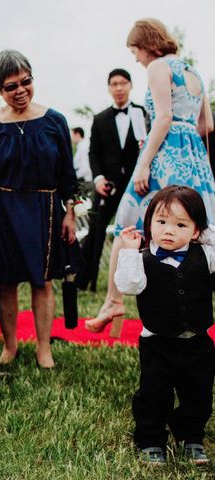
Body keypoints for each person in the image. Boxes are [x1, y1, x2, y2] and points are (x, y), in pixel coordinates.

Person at [86, 18, 215, 334]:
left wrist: (143, 164)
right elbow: (207, 126)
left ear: (147, 45)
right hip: (195, 158)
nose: (136, 60)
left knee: (127, 224)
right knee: (198, 229)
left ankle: (114, 301)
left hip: (166, 156)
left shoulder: (159, 67)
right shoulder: (194, 72)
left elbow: (163, 119)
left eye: (135, 51)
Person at [0, 50, 77, 369]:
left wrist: (70, 213)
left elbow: (68, 175)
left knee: (42, 281)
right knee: (6, 281)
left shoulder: (55, 120)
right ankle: (11, 346)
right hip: (3, 209)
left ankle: (44, 349)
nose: (20, 91)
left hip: (45, 207)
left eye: (25, 82)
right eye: (10, 86)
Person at [115, 186, 214, 465]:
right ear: (148, 224)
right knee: (153, 394)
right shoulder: (143, 259)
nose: (168, 231)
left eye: (180, 224)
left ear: (197, 231)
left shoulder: (205, 255)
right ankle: (150, 439)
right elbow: (129, 285)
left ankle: (191, 436)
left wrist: (205, 233)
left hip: (197, 341)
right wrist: (129, 251)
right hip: (157, 343)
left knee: (200, 393)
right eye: (161, 222)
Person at [76, 68, 148, 291]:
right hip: (107, 185)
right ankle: (85, 281)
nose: (119, 88)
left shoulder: (142, 113)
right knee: (95, 232)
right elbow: (93, 153)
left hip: (138, 184)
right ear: (109, 88)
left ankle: (143, 281)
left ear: (130, 85)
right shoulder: (100, 119)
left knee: (143, 231)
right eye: (114, 84)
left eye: (123, 83)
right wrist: (98, 178)